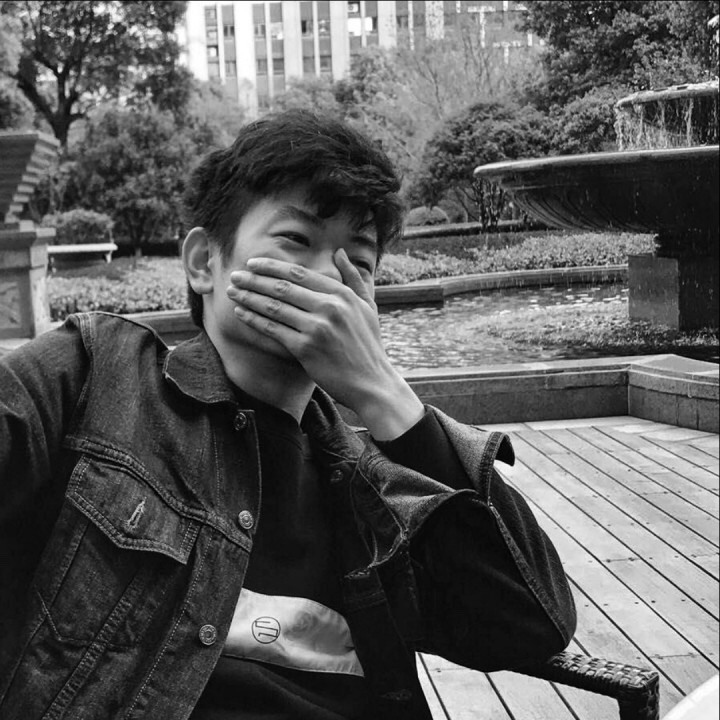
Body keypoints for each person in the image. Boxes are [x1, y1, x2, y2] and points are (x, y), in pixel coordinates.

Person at [0, 109, 576, 720]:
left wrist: (383, 390)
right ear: (204, 263)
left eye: (358, 262)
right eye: (297, 240)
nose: (328, 278)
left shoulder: (379, 488)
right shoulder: (92, 375)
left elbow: (533, 622)